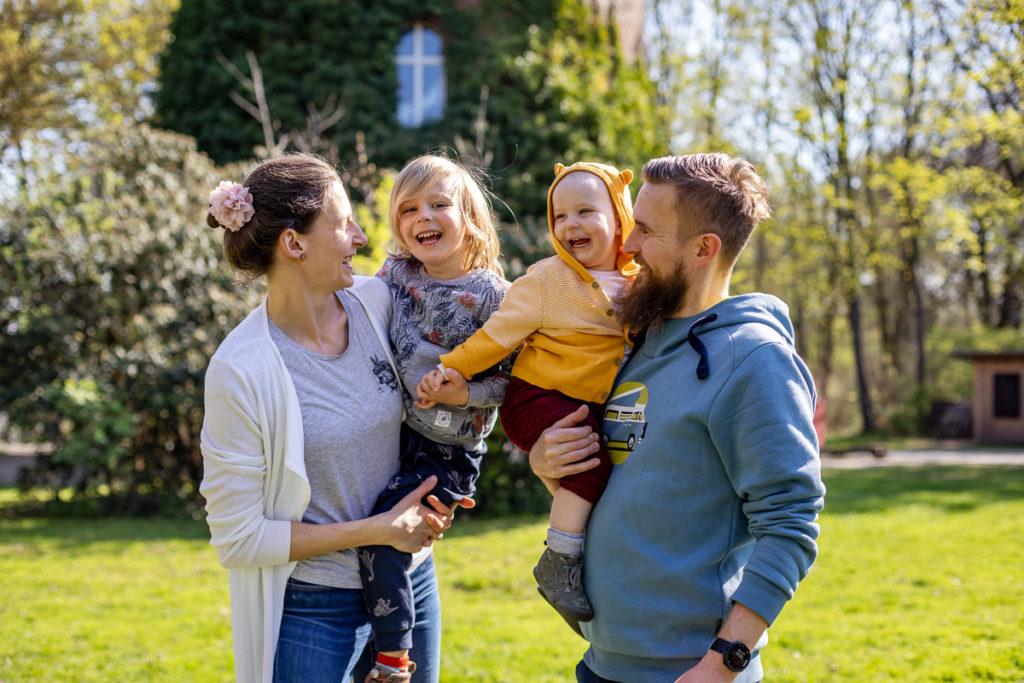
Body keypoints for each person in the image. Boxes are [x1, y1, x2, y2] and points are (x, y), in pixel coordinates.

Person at [529, 153, 826, 682]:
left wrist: (724, 663)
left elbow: (790, 524)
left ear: (703, 249)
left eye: (645, 230)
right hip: (604, 663)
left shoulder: (754, 359)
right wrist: (545, 458)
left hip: (689, 672)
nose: (628, 244)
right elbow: (634, 480)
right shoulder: (633, 341)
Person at [199, 153, 464, 683]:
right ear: (294, 244)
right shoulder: (241, 369)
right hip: (315, 610)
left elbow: (467, 325)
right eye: (343, 223)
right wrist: (379, 529)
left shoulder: (377, 302)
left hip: (410, 584)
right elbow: (239, 538)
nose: (361, 238)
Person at [418, 161, 638, 628]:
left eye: (585, 211)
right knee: (588, 465)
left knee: (597, 475)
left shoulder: (642, 284)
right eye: (560, 216)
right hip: (537, 395)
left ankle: (581, 549)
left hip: (587, 403)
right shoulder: (547, 280)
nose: (570, 224)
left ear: (621, 216)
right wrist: (451, 368)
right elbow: (496, 337)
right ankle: (559, 559)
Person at [356, 154, 513, 681]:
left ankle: (393, 659)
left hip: (448, 450)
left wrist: (466, 390)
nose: (423, 216)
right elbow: (354, 309)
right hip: (395, 434)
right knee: (373, 527)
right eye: (408, 209)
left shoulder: (495, 297)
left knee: (386, 533)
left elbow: (512, 384)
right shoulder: (397, 273)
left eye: (439, 204)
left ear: (469, 215)